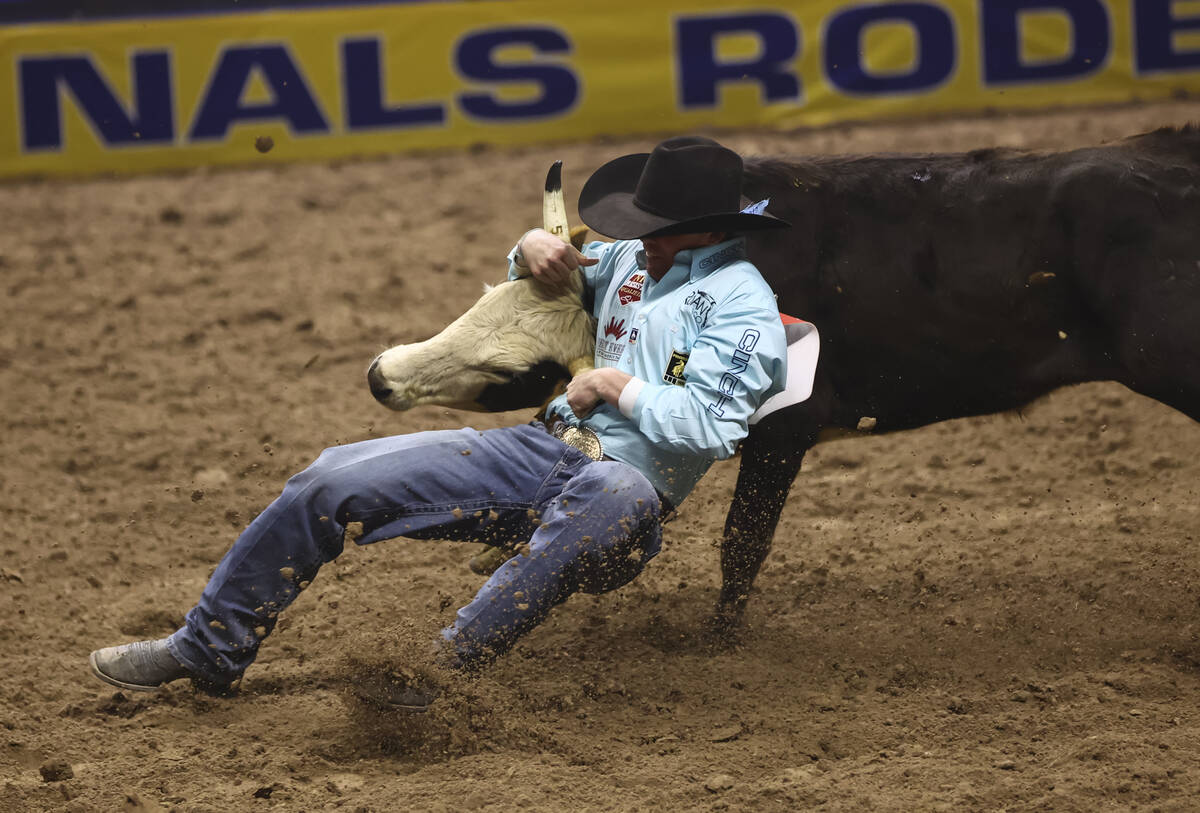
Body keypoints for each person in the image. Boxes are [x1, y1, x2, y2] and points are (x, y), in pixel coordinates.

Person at [88, 136, 790, 708]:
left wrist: (616, 383)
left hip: (625, 499)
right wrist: (528, 250)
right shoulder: (633, 261)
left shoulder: (742, 306)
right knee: (328, 476)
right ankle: (206, 648)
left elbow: (710, 427)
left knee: (617, 492)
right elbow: (560, 280)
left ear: (709, 230)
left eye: (655, 230)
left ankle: (431, 677)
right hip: (538, 452)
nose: (641, 240)